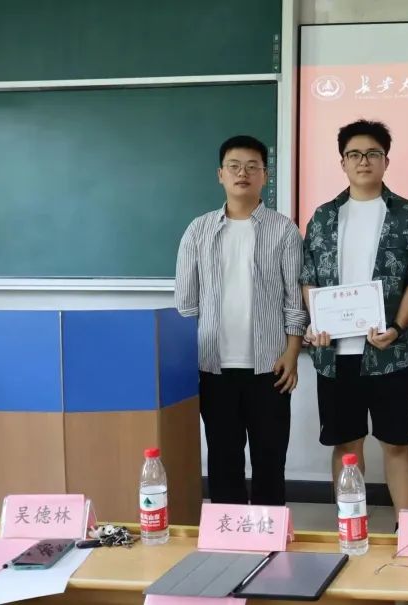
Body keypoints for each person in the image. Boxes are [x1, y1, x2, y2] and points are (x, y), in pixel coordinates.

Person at [300, 119, 408, 518]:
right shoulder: (323, 217)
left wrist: (398, 327)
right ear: (343, 162)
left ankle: (406, 527)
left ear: (386, 160)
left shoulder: (407, 214)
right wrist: (318, 322)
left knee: (397, 443)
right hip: (335, 356)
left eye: (373, 153)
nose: (364, 161)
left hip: (391, 352)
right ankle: (350, 523)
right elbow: (309, 278)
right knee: (346, 445)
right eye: (354, 154)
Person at [174, 134, 306, 506]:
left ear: (265, 175)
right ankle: (228, 532)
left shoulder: (283, 229)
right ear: (221, 174)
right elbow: (185, 304)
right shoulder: (198, 230)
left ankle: (268, 530)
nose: (242, 173)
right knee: (222, 459)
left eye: (252, 166)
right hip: (213, 366)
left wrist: (292, 353)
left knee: (270, 458)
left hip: (271, 366)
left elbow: (294, 299)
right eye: (234, 166)